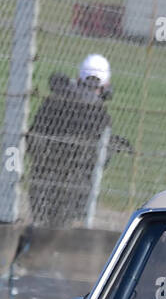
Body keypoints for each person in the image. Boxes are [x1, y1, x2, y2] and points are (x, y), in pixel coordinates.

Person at [26, 53, 131, 227]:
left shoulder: (54, 99)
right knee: (65, 233)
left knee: (39, 227)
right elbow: (100, 159)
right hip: (76, 184)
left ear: (79, 77)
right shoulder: (100, 112)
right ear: (105, 84)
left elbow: (33, 139)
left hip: (42, 177)